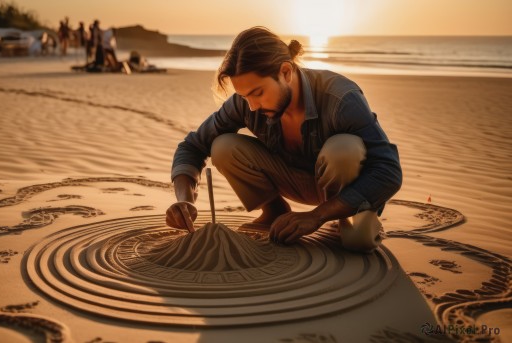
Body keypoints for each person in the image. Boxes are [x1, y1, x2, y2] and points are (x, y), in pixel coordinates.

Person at [165, 27, 402, 253]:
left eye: (258, 93)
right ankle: (275, 211)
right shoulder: (247, 103)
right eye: (244, 96)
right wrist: (186, 201)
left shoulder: (341, 98)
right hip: (290, 178)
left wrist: (316, 216)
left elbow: (388, 170)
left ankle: (341, 220)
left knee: (345, 156)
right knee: (223, 146)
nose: (252, 106)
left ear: (286, 72)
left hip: (340, 190)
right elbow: (192, 146)